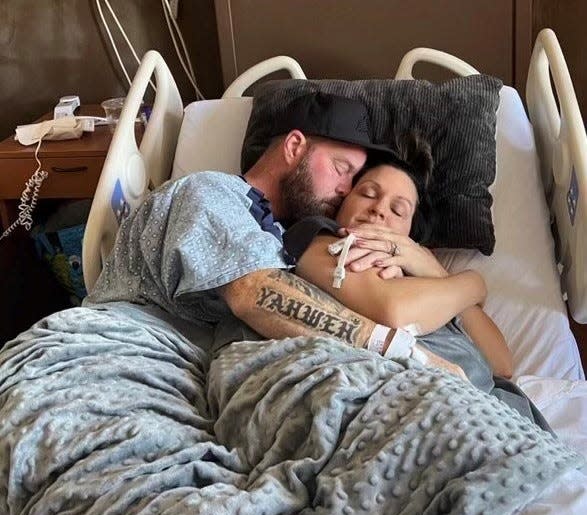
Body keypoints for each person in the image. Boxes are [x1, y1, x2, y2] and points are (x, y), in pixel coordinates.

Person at [86, 91, 462, 375]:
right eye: (341, 168)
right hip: (109, 352)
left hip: (179, 373)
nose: (347, 189)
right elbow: (253, 293)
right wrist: (408, 354)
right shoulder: (211, 192)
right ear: (295, 146)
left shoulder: (287, 237)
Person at [283, 131, 514, 382]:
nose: (379, 209)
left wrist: (433, 270)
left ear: (411, 236)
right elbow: (395, 313)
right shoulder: (320, 237)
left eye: (398, 209)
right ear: (344, 199)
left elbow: (501, 365)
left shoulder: (431, 281)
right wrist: (474, 283)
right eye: (368, 194)